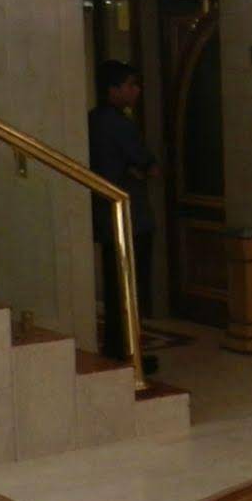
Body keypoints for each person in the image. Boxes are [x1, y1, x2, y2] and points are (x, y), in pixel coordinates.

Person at [89, 60, 158, 371]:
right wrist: (139, 169)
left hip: (105, 216)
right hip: (131, 217)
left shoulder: (92, 120)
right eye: (130, 85)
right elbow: (147, 164)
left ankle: (117, 348)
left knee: (115, 286)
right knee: (132, 288)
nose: (136, 91)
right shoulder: (119, 124)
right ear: (113, 89)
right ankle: (130, 353)